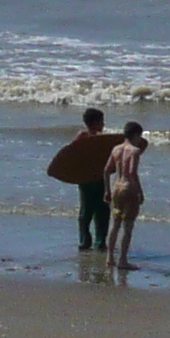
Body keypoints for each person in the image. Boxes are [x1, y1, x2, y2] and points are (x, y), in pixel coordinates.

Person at [47, 107, 122, 252]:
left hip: (98, 178)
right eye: (101, 121)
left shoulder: (102, 140)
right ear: (95, 123)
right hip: (86, 179)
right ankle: (85, 240)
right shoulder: (83, 136)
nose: (103, 124)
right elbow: (74, 154)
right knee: (87, 210)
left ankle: (100, 241)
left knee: (102, 209)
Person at [106, 122, 150, 272]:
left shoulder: (116, 149)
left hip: (116, 188)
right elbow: (132, 173)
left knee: (115, 224)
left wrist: (107, 190)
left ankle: (110, 257)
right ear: (136, 135)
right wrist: (140, 192)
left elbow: (106, 170)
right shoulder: (135, 151)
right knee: (128, 226)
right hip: (128, 189)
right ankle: (123, 260)